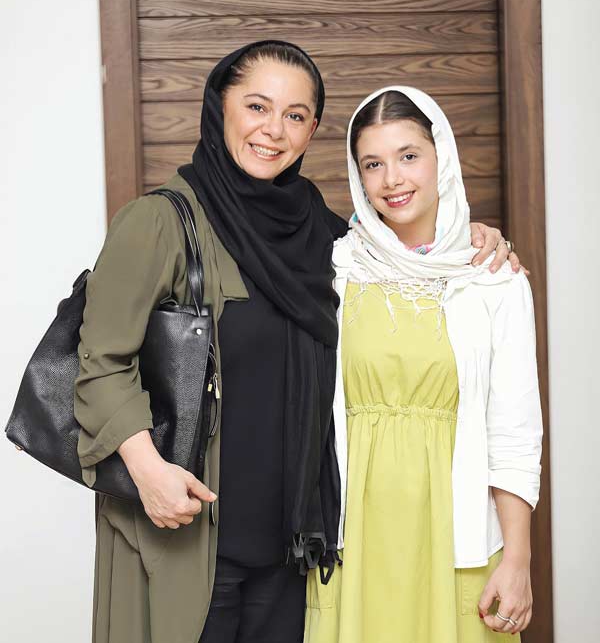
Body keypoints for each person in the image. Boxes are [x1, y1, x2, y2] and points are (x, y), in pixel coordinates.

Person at [74, 42, 522, 643]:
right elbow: (100, 362)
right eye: (257, 106)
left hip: (294, 556)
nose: (274, 130)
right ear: (220, 106)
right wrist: (147, 470)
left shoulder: (324, 236)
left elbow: (406, 255)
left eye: (295, 115)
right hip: (186, 539)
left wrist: (472, 241)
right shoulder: (160, 222)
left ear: (312, 131)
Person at [304, 87, 543, 643]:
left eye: (409, 155)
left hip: (457, 539)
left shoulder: (494, 279)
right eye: (373, 164)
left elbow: (514, 433)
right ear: (358, 175)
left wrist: (518, 560)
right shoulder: (333, 270)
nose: (393, 179)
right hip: (353, 538)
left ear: (443, 157)